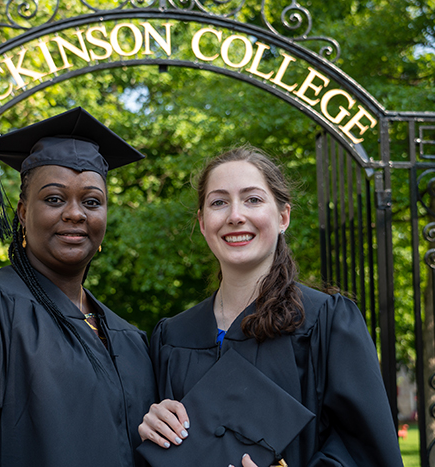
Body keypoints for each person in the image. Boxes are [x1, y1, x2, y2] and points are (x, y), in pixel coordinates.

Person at [0, 107, 156, 467]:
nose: (75, 213)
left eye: (92, 201)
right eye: (54, 199)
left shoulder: (130, 339)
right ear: (23, 212)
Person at [137, 145, 404, 467]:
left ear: (283, 217)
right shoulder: (172, 337)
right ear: (203, 223)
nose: (235, 216)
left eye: (253, 199)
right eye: (219, 202)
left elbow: (367, 452)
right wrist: (152, 425)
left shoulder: (326, 321)